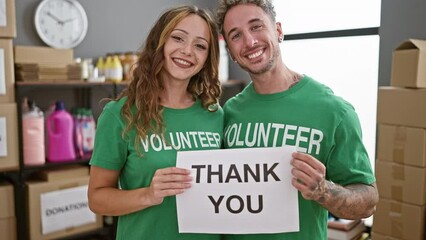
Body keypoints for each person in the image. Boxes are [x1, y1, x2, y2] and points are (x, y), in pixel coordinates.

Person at [216, 0, 379, 239]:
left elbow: (368, 202)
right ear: (230, 51)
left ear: (278, 31)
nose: (250, 42)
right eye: (236, 35)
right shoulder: (229, 112)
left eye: (257, 27)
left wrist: (324, 191)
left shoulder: (334, 111)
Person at [88, 5, 223, 240]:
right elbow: (96, 199)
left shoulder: (214, 114)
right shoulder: (119, 115)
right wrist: (148, 195)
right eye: (178, 38)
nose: (187, 51)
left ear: (206, 58)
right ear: (158, 43)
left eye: (200, 45)